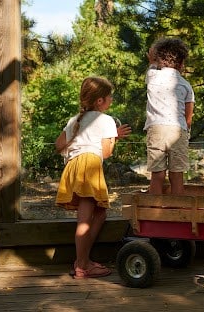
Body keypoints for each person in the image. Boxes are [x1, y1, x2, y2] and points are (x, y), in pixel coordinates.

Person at [55, 76, 132, 279]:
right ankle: (82, 266)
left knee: (100, 214)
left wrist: (78, 145)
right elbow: (106, 153)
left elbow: (58, 145)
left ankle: (83, 259)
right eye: (110, 97)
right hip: (89, 167)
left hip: (74, 166)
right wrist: (113, 137)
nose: (111, 100)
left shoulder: (75, 120)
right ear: (100, 101)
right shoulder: (105, 120)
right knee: (85, 220)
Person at [144, 38, 194, 195]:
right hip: (178, 130)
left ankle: (154, 209)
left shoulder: (152, 76)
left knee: (157, 173)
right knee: (177, 174)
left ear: (159, 59)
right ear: (181, 63)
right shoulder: (186, 85)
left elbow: (152, 64)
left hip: (156, 129)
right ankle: (177, 210)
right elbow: (188, 117)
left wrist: (152, 59)